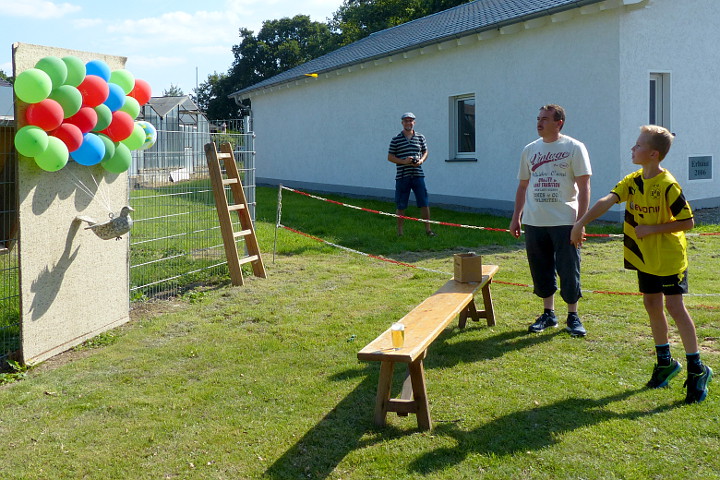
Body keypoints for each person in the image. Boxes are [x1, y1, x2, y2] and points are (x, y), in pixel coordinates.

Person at [571, 125, 712, 404]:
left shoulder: (668, 185)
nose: (632, 149)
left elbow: (688, 222)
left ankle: (697, 369)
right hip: (645, 258)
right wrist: (580, 222)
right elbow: (607, 200)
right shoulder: (634, 180)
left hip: (670, 258)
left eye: (637, 146)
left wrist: (653, 228)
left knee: (674, 307)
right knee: (651, 304)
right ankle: (665, 362)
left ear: (652, 154)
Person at [509, 104, 592, 337]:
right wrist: (516, 217)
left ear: (559, 123)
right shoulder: (529, 150)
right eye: (538, 118)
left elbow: (584, 185)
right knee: (540, 268)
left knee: (568, 268)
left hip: (565, 221)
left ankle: (573, 316)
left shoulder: (574, 147)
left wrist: (581, 221)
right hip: (534, 221)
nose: (539, 122)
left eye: (545, 119)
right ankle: (548, 314)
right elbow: (523, 185)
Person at [388, 112, 435, 237]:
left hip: (418, 174)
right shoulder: (396, 139)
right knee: (401, 204)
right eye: (406, 121)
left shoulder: (420, 137)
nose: (408, 123)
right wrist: (403, 161)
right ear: (402, 123)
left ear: (414, 122)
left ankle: (428, 230)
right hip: (403, 176)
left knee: (424, 202)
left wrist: (420, 161)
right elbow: (390, 157)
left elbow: (425, 152)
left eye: (411, 121)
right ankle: (400, 232)